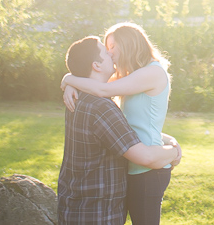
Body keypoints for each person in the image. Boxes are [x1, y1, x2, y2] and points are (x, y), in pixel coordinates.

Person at [58, 35, 181, 225]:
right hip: (97, 213)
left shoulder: (78, 97)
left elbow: (125, 131)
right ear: (96, 66)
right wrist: (174, 151)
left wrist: (69, 80)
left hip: (75, 206)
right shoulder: (101, 107)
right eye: (106, 51)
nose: (110, 53)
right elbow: (145, 157)